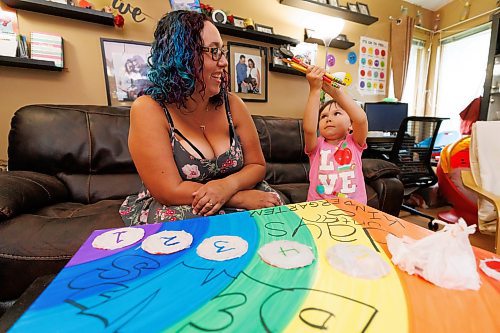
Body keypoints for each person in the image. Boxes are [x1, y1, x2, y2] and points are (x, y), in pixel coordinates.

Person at [120, 10, 282, 225]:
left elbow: (257, 165)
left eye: (222, 51)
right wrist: (237, 197)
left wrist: (228, 185)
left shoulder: (233, 104)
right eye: (214, 51)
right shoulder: (149, 109)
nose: (224, 62)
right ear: (182, 56)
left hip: (238, 192)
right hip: (183, 204)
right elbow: (168, 190)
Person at [303, 65, 368, 204]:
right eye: (323, 116)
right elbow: (309, 129)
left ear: (351, 125)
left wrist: (336, 93)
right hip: (319, 207)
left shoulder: (354, 143)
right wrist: (314, 90)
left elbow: (361, 120)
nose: (328, 118)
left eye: (336, 113)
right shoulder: (317, 146)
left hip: (354, 207)